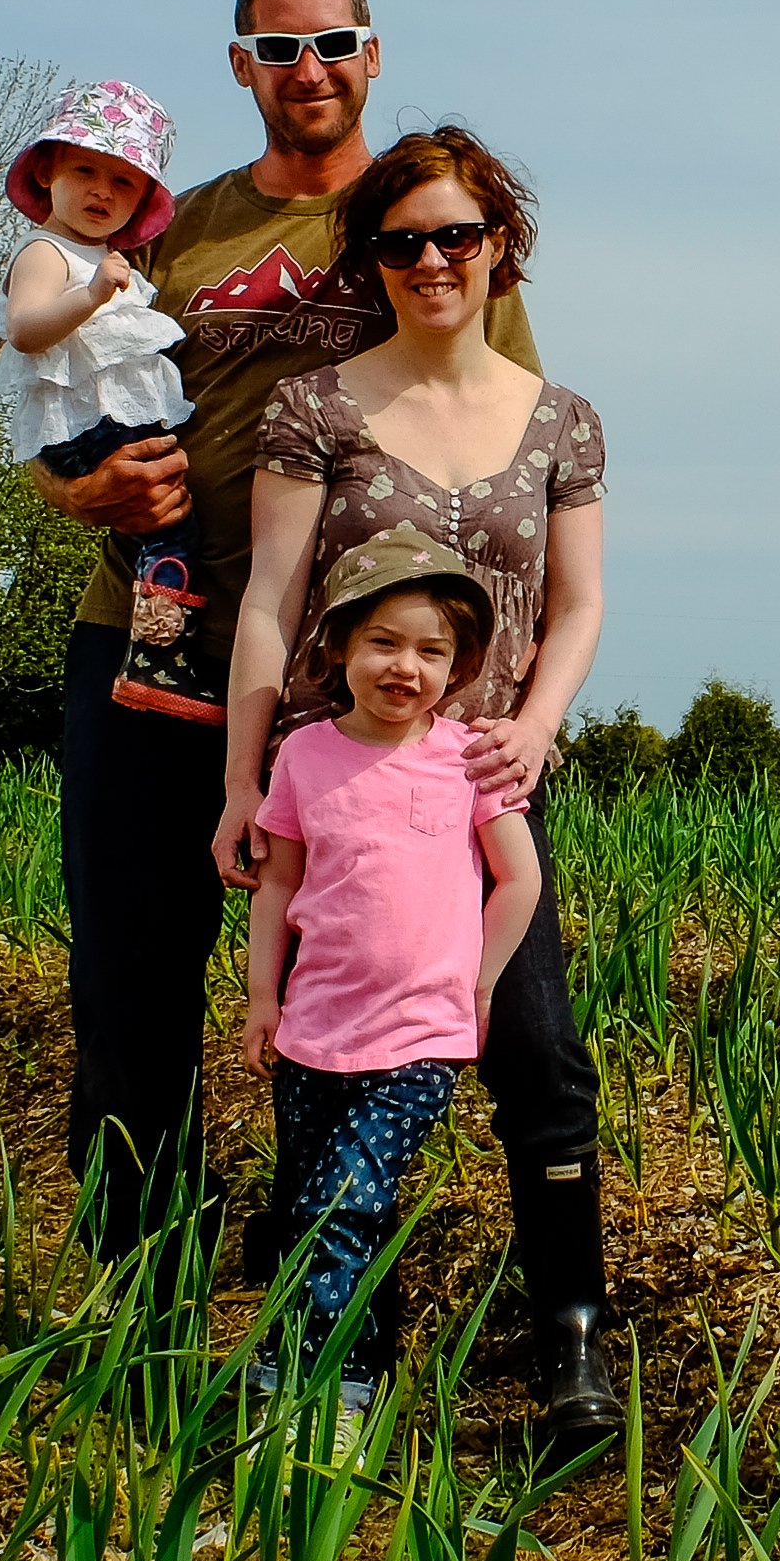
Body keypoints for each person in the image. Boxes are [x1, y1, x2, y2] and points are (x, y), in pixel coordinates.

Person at [28, 0, 620, 1445]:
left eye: (336, 42)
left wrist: (513, 703)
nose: (311, 67)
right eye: (278, 47)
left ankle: (381, 1320)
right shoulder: (179, 227)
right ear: (240, 65)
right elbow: (62, 391)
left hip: (379, 697)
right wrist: (76, 488)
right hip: (161, 655)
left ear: (373, 54)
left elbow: (508, 451)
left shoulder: (429, 217)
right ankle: (147, 1330)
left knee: (410, 1009)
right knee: (134, 1008)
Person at [217, 120, 612, 1438]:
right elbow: (270, 603)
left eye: (459, 234)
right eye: (403, 242)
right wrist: (242, 782)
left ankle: (569, 1346)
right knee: (322, 1063)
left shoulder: (561, 421)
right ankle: (341, 1353)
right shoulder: (315, 409)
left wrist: (539, 726)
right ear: (372, 262)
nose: (433, 260)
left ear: (503, 248)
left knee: (539, 1053)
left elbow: (578, 602)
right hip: (343, 786)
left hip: (486, 780)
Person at [238, 527, 547, 1426]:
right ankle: (362, 1368)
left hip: (419, 1036)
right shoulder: (301, 756)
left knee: (343, 1204)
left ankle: (310, 1388)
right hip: (311, 1032)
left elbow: (518, 876)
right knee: (318, 1210)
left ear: (458, 668)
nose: (404, 666)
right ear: (337, 648)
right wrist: (263, 998)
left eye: (430, 650)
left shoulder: (468, 756)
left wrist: (480, 986)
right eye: (382, 642)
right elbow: (279, 885)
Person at [0, 79, 209, 719]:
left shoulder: (105, 257)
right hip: (85, 426)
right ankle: (159, 658)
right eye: (86, 169)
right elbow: (26, 331)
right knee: (174, 528)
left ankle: (162, 652)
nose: (102, 192)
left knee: (170, 525)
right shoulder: (45, 252)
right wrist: (90, 296)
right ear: (49, 168)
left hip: (107, 418)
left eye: (125, 182)